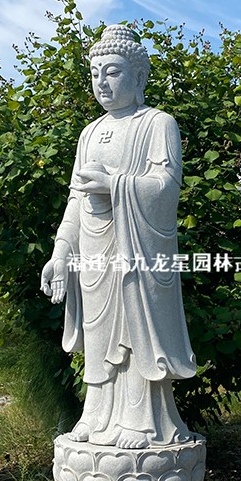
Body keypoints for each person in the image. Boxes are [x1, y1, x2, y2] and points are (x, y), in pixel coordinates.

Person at [41, 24, 196, 450]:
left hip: (137, 251)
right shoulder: (89, 133)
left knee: (134, 330)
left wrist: (116, 185)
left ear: (138, 75)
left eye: (112, 72)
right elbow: (76, 199)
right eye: (95, 74)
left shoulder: (157, 123)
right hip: (94, 251)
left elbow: (166, 186)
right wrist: (60, 251)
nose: (102, 83)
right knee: (99, 334)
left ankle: (142, 422)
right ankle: (96, 414)